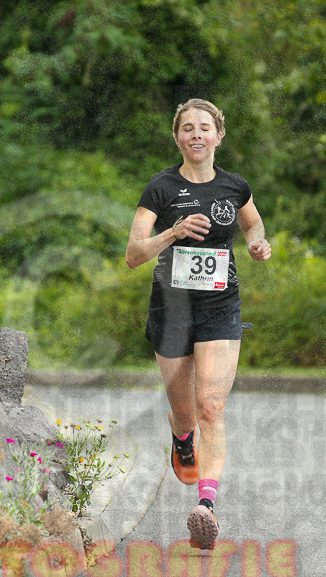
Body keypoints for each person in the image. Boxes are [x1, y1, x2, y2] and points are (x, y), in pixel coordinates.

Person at [125, 99, 272, 550]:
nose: (196, 135)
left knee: (212, 405)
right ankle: (181, 434)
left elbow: (253, 223)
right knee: (187, 412)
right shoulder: (161, 188)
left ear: (218, 136)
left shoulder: (234, 186)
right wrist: (173, 232)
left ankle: (205, 506)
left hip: (220, 307)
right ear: (177, 138)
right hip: (170, 310)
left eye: (204, 128)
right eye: (187, 128)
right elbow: (133, 254)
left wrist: (257, 243)